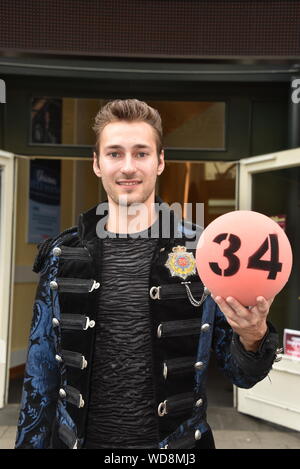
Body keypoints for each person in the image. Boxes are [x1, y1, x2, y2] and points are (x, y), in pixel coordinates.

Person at [15, 99, 279, 450]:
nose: (128, 167)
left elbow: (242, 375)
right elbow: (39, 378)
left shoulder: (207, 252)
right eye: (114, 153)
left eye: (141, 153)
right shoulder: (63, 256)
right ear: (97, 163)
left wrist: (252, 336)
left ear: (160, 162)